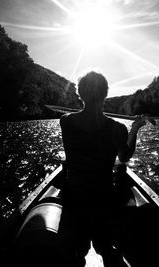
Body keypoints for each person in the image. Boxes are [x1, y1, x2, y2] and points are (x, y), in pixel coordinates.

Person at [60, 70, 147, 267]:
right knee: (106, 247)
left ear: (81, 94)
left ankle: (79, 252)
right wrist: (134, 130)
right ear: (105, 94)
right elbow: (124, 157)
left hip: (75, 196)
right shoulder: (117, 129)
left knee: (77, 250)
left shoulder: (65, 121)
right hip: (103, 196)